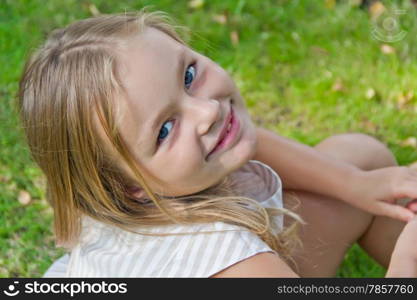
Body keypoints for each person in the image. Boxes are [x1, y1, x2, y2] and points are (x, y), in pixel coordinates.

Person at [18, 10, 417, 278]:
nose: (207, 111)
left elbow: (252, 142)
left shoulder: (115, 184)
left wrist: (355, 184)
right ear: (131, 189)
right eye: (164, 129)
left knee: (362, 160)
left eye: (189, 75)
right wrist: (406, 261)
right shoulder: (229, 260)